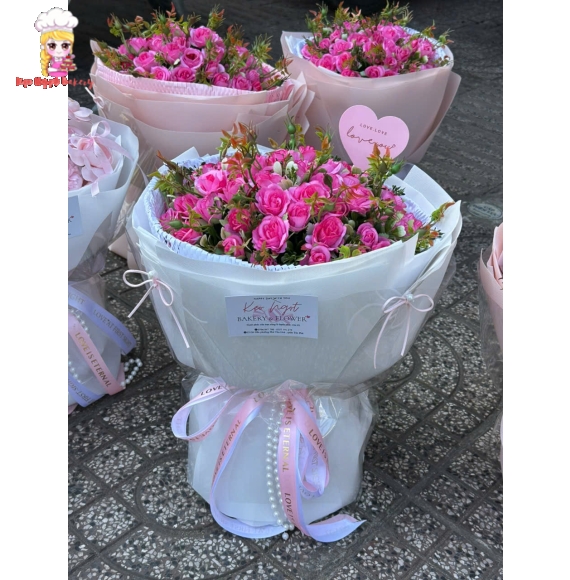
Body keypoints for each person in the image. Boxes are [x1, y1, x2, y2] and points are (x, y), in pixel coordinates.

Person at [34, 7, 78, 78]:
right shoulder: (49, 58)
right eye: (52, 45)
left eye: (65, 45)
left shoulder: (64, 58)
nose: (59, 50)